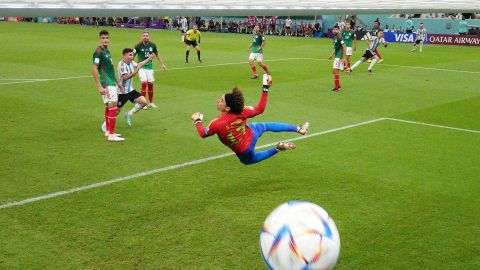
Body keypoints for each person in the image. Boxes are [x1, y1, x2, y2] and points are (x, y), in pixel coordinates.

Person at [191, 74, 310, 165]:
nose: (218, 100)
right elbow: (260, 109)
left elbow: (202, 133)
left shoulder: (217, 123)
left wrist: (198, 121)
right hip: (251, 134)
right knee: (264, 126)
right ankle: (299, 129)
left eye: (221, 100)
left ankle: (277, 148)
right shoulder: (242, 111)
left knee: (249, 161)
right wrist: (265, 88)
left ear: (227, 108)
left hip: (244, 149)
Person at [92, 30, 125, 142]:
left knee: (109, 106)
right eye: (103, 38)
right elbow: (94, 68)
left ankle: (108, 131)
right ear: (100, 39)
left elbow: (110, 70)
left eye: (107, 37)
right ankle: (111, 135)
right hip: (106, 83)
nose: (105, 40)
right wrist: (100, 86)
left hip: (112, 82)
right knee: (113, 106)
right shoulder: (98, 52)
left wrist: (118, 83)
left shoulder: (107, 51)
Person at [117, 48, 154, 126]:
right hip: (122, 92)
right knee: (116, 111)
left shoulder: (131, 62)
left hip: (130, 90)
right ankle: (106, 125)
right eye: (130, 55)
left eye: (132, 55)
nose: (132, 56)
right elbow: (125, 77)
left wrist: (149, 58)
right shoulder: (122, 65)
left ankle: (128, 114)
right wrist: (135, 72)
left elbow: (139, 64)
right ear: (125, 55)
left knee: (144, 102)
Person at [133, 31, 167, 109]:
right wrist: (135, 65)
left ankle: (151, 103)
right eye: (144, 35)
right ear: (142, 37)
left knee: (150, 85)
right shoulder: (138, 45)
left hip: (150, 68)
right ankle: (143, 103)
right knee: (144, 83)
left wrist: (162, 64)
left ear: (149, 36)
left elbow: (157, 55)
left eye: (146, 36)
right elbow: (132, 55)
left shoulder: (153, 45)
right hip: (141, 68)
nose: (145, 37)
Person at [328, 26, 347, 92]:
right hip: (337, 56)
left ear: (339, 30)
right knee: (335, 71)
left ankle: (336, 87)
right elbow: (336, 48)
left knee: (335, 70)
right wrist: (331, 54)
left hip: (339, 56)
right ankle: (338, 85)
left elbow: (344, 46)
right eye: (334, 29)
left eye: (336, 29)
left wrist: (344, 57)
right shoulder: (335, 37)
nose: (334, 30)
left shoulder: (339, 37)